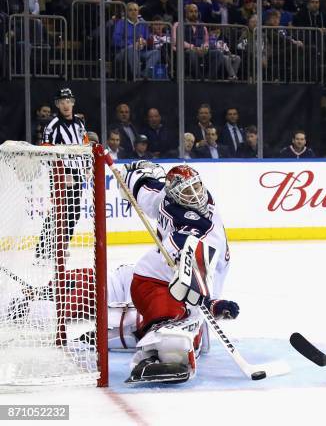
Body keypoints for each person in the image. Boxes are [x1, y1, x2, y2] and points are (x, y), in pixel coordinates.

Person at [116, 161, 238, 383]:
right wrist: (128, 176)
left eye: (197, 187)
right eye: (187, 192)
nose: (196, 196)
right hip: (155, 280)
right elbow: (140, 184)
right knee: (174, 326)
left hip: (190, 277)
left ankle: (168, 338)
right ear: (172, 194)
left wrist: (213, 304)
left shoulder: (206, 234)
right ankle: (154, 345)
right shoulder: (163, 198)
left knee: (185, 329)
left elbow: (201, 277)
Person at [36, 88, 89, 262]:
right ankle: (44, 248)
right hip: (60, 172)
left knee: (73, 212)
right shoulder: (52, 125)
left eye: (68, 101)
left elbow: (85, 146)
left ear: (73, 103)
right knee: (60, 211)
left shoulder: (80, 124)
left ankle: (62, 245)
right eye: (62, 102)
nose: (66, 105)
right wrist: (60, 173)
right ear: (57, 105)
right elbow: (45, 151)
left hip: (77, 172)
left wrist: (87, 167)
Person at [113, 2, 161, 79]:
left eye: (135, 10)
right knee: (131, 48)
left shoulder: (142, 24)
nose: (133, 12)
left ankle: (144, 74)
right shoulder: (121, 23)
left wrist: (145, 42)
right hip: (124, 52)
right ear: (126, 12)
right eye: (130, 10)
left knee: (156, 53)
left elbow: (149, 39)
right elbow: (116, 40)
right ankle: (137, 76)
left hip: (140, 52)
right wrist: (133, 44)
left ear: (138, 12)